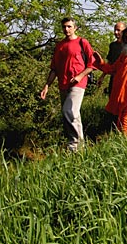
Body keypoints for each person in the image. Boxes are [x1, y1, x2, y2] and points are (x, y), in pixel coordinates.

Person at [40, 17, 95, 152]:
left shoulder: (83, 42)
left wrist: (79, 76)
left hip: (78, 83)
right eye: (64, 27)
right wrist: (47, 85)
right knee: (69, 115)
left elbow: (92, 65)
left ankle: (75, 146)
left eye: (69, 26)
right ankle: (77, 145)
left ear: (75, 28)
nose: (66, 29)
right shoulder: (60, 45)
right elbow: (54, 68)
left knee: (69, 111)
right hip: (63, 84)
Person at [97, 22, 126, 93]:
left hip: (125, 78)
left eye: (118, 30)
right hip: (114, 77)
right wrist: (102, 76)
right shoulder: (113, 46)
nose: (116, 32)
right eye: (115, 30)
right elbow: (110, 62)